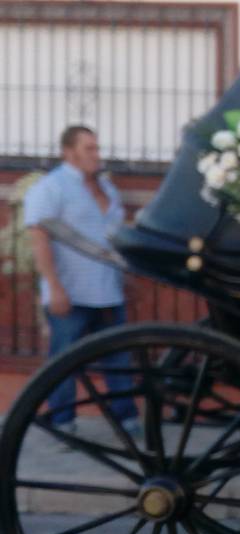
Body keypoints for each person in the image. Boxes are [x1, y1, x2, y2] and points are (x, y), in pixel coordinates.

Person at [23, 125, 140, 435]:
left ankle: (126, 420)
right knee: (64, 363)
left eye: (97, 148)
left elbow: (113, 237)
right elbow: (39, 238)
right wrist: (54, 287)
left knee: (118, 358)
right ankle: (63, 424)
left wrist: (124, 277)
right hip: (71, 292)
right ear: (68, 151)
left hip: (108, 290)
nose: (96, 155)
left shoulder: (107, 189)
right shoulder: (50, 188)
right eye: (89, 148)